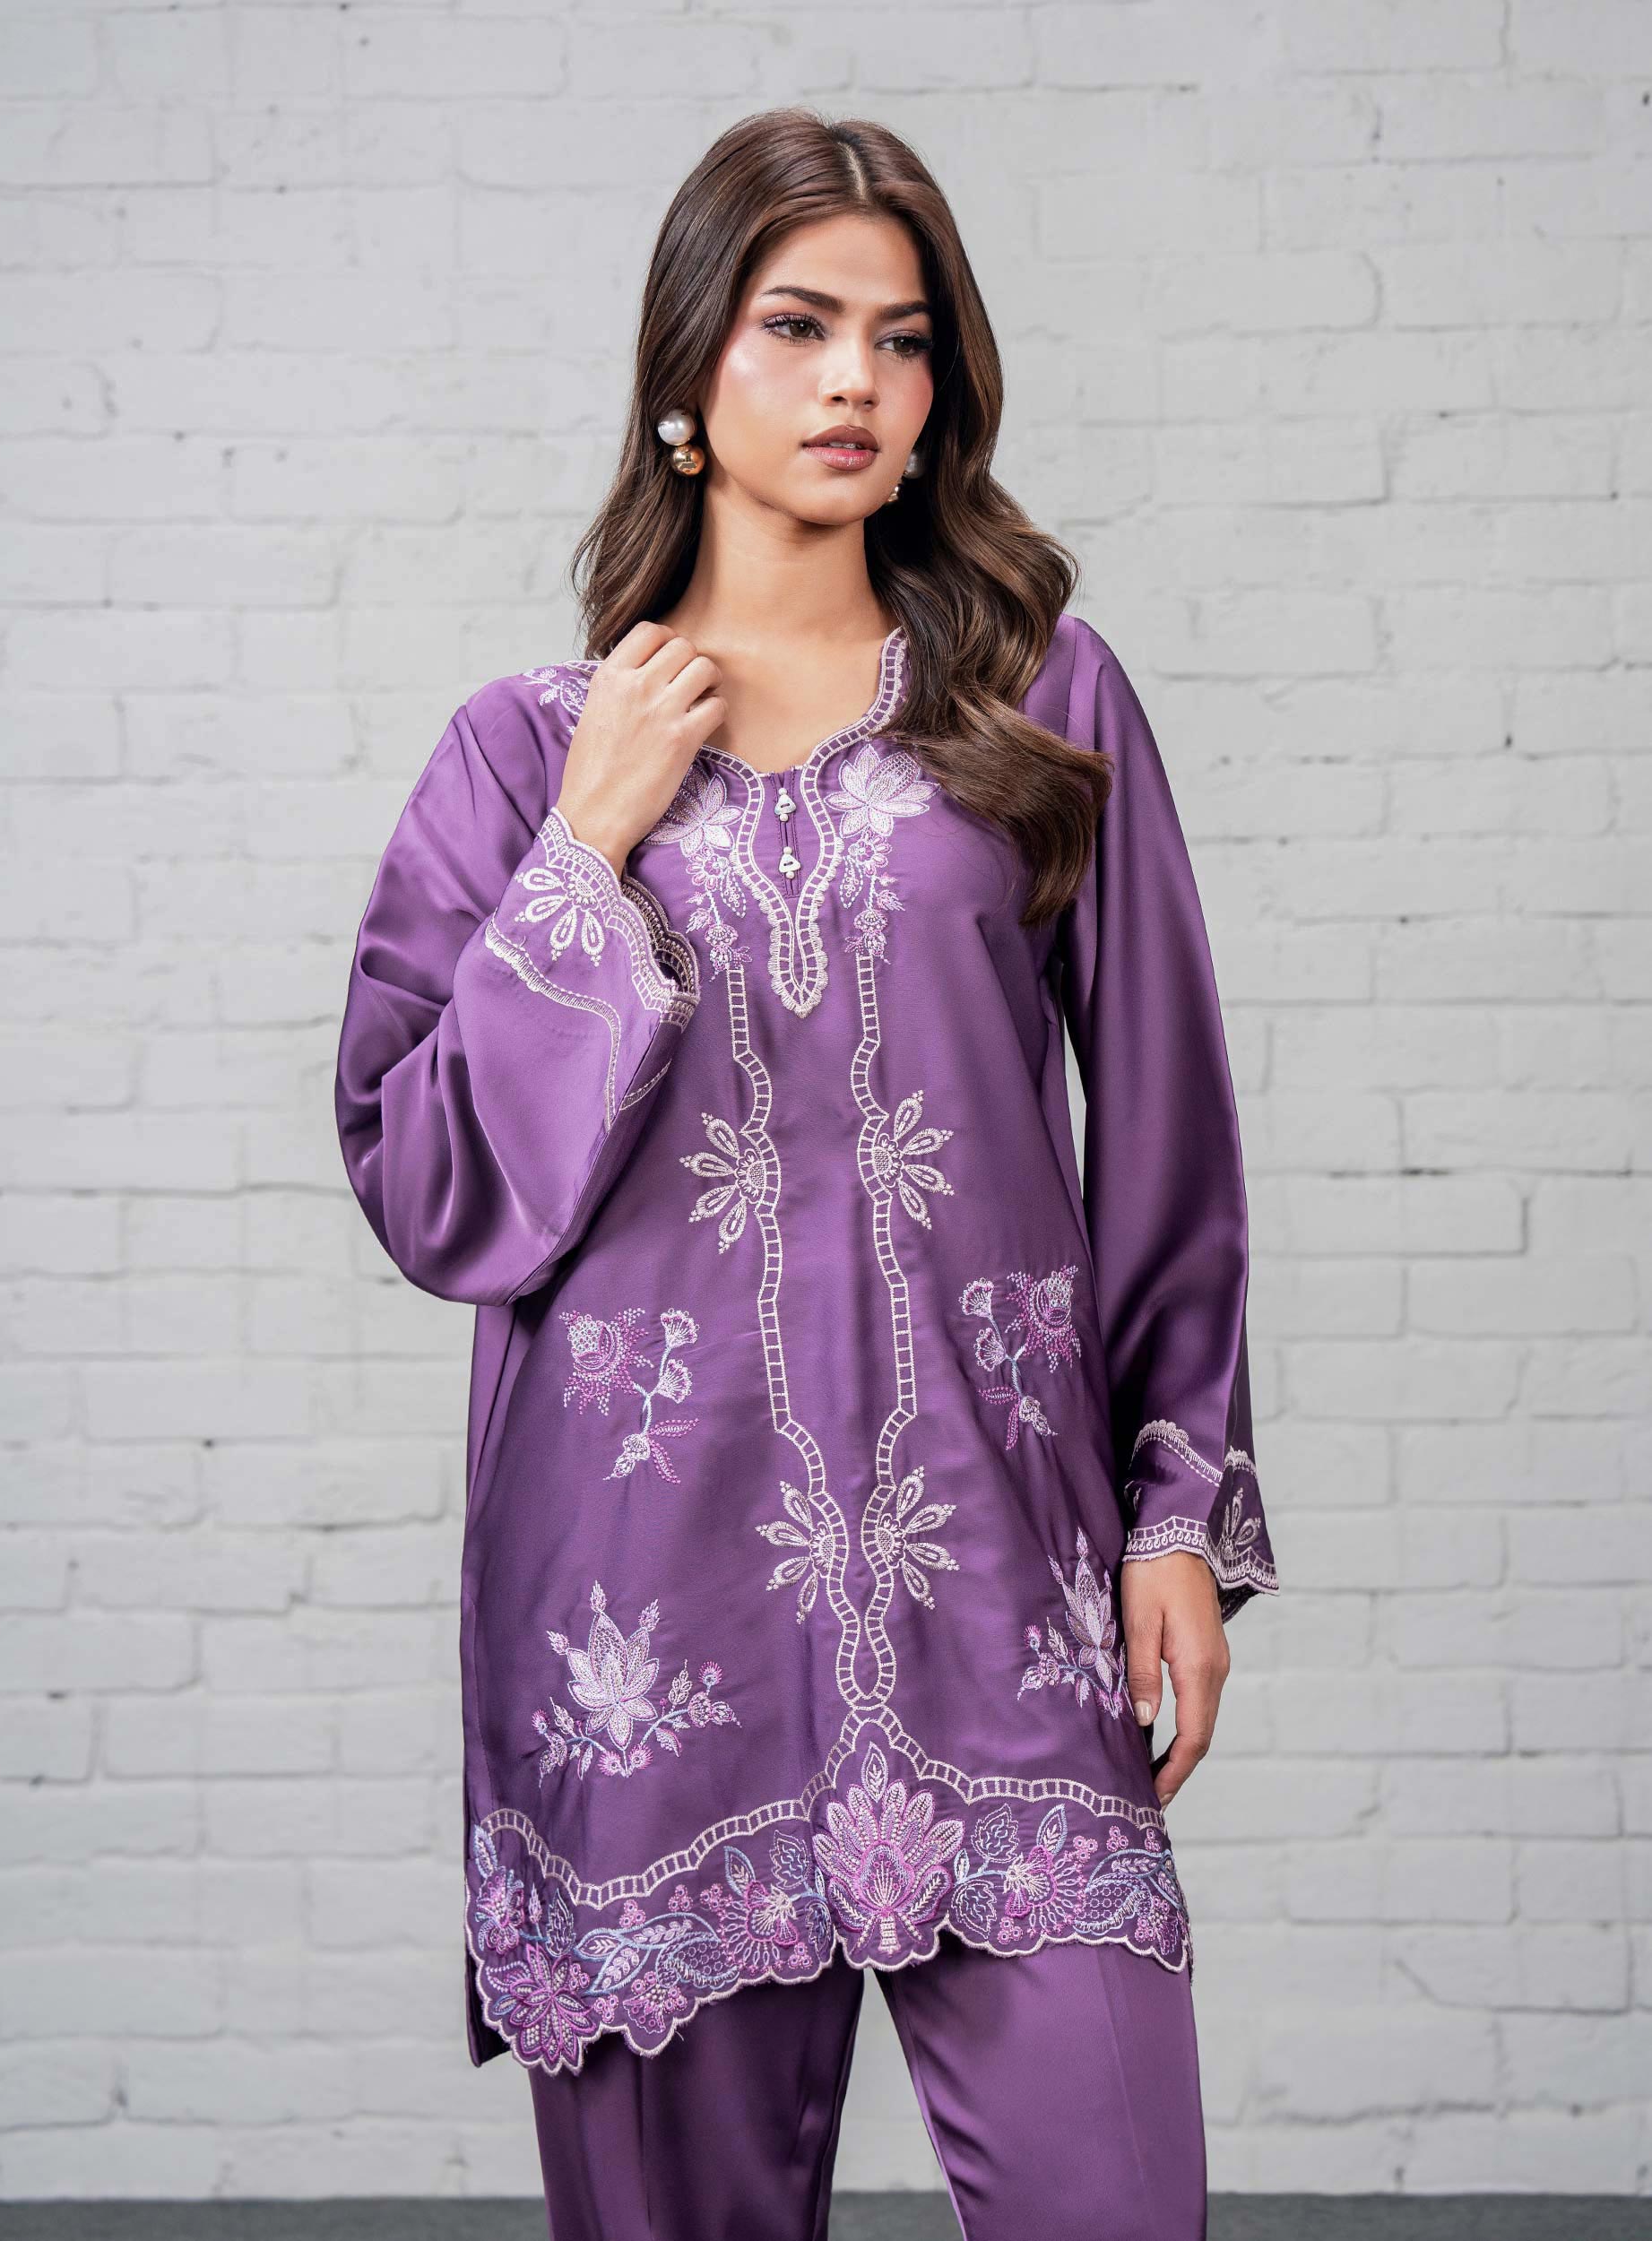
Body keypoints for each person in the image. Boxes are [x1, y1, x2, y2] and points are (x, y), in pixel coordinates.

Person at [334, 105, 1278, 2241]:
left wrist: (1172, 1504)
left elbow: (1162, 1131)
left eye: (902, 336)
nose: (858, 378)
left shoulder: (1033, 703)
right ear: (689, 369)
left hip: (1001, 1594)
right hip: (638, 1627)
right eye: (797, 324)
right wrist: (584, 851)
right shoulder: (525, 751)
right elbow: (428, 1184)